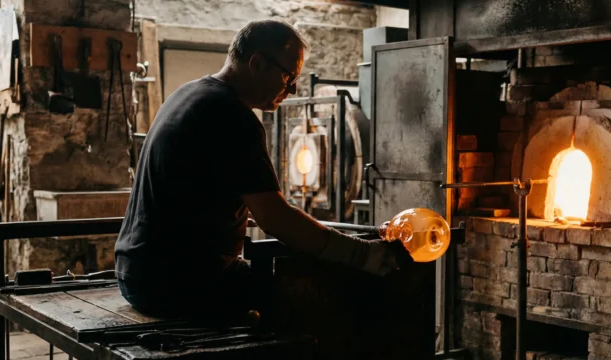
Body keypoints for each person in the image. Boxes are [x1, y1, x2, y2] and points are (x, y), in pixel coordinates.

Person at [114, 20, 412, 321]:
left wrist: (314, 227)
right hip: (177, 284)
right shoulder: (231, 116)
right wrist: (363, 254)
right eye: (288, 76)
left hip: (137, 272)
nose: (293, 89)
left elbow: (236, 201)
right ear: (257, 63)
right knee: (316, 297)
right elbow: (276, 221)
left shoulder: (189, 93)